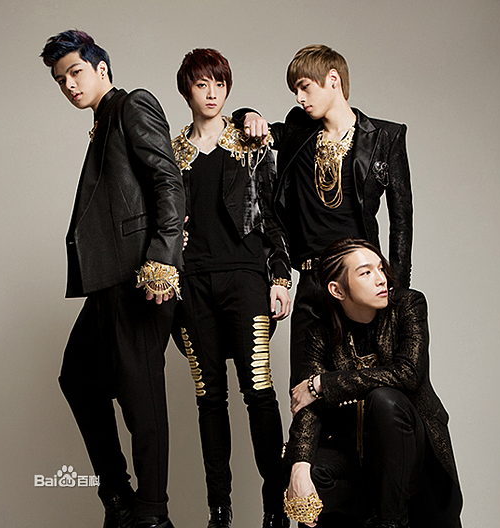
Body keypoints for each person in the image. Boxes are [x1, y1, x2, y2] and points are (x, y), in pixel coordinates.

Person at [40, 30, 184, 528]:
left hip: (140, 277)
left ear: (101, 68)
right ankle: (119, 497)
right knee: (78, 378)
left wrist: (162, 258)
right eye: (61, 80)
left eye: (76, 72)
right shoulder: (102, 122)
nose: (69, 85)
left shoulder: (131, 105)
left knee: (142, 398)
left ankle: (152, 514)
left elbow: (168, 180)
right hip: (109, 281)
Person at [236, 44, 414, 388]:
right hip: (311, 280)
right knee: (303, 390)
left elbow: (401, 221)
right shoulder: (298, 131)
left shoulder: (385, 138)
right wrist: (249, 115)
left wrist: (397, 294)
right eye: (295, 90)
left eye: (305, 87)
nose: (299, 98)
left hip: (359, 280)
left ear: (333, 79)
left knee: (361, 389)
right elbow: (249, 128)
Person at [170, 48, 291, 528]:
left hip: (244, 277)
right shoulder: (171, 154)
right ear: (187, 90)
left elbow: (273, 214)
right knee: (209, 399)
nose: (212, 93)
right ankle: (218, 510)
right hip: (192, 283)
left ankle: (276, 506)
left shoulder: (250, 143)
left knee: (259, 392)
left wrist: (280, 277)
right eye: (202, 84)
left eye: (219, 84)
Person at [283, 238, 463, 528]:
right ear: (337, 290)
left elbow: (408, 373)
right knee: (305, 471)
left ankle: (391, 521)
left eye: (380, 268)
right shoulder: (320, 333)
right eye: (366, 273)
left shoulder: (408, 306)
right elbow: (308, 407)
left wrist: (324, 384)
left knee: (384, 400)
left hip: (414, 458)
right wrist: (299, 468)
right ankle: (371, 513)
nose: (381, 279)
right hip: (358, 459)